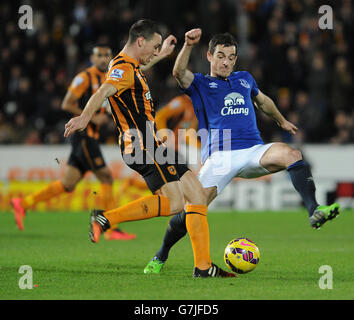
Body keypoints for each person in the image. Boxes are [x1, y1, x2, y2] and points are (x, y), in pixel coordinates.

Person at [143, 29, 341, 274]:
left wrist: (281, 120)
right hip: (220, 157)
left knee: (292, 155)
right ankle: (161, 255)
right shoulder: (202, 84)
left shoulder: (245, 79)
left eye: (231, 56)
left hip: (252, 150)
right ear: (209, 56)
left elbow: (263, 100)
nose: (226, 61)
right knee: (192, 208)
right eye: (221, 56)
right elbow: (178, 73)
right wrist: (188, 45)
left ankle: (314, 210)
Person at [63, 20, 235, 278]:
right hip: (143, 145)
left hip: (153, 144)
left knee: (196, 195)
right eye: (154, 46)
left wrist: (164, 54)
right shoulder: (122, 67)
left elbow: (133, 72)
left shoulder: (129, 66)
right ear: (140, 41)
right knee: (176, 202)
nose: (155, 52)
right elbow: (105, 90)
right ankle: (107, 218)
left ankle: (202, 267)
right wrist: (86, 116)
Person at [11, 44, 136, 241]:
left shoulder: (112, 76)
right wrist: (92, 118)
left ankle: (24, 203)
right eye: (99, 55)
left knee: (68, 184)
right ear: (92, 58)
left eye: (106, 55)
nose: (103, 58)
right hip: (84, 136)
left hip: (89, 138)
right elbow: (67, 103)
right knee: (106, 178)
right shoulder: (84, 77)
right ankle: (112, 229)